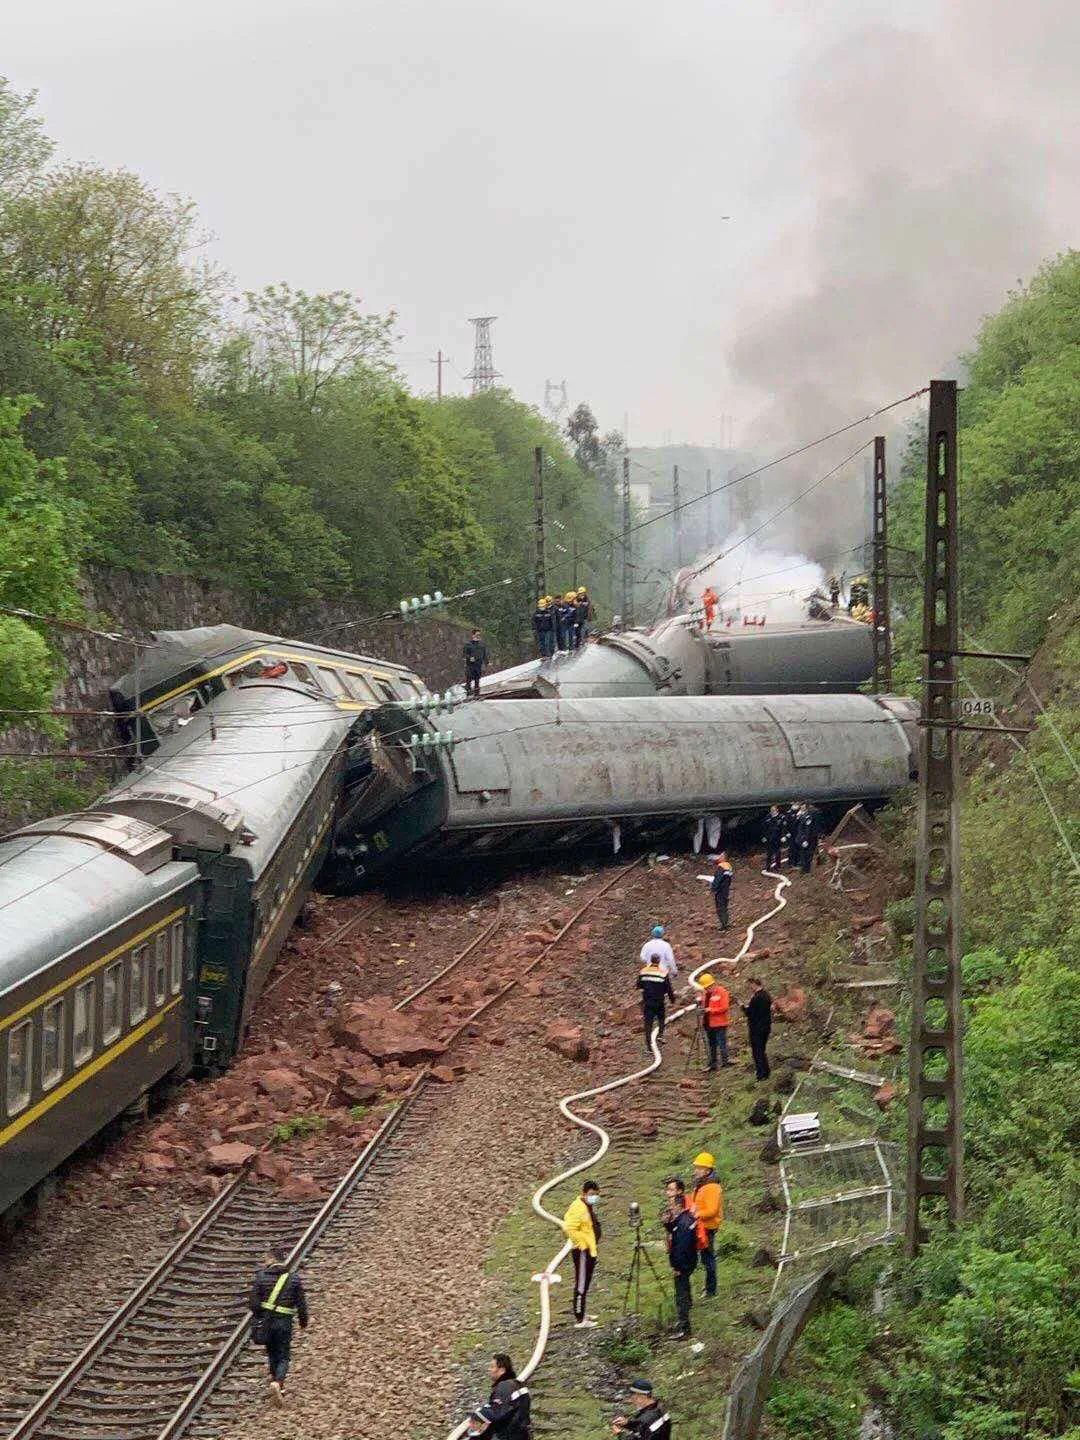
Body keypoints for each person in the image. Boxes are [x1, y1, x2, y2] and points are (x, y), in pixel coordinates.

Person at [249, 1246, 309, 1406]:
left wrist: (261, 1316)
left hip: (267, 1322)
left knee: (271, 1352)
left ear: (271, 1260)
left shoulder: (261, 1278)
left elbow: (253, 1304)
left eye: (265, 1259)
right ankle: (278, 1382)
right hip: (284, 1322)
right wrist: (304, 1322)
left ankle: (275, 1380)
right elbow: (301, 1304)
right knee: (283, 1354)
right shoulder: (294, 1278)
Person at [561, 1180, 601, 1327]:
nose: (594, 1198)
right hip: (582, 1251)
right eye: (591, 1195)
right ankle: (580, 1318)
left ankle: (583, 1312)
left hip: (590, 1250)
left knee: (586, 1282)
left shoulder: (587, 1206)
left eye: (596, 1195)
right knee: (581, 1284)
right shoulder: (578, 1207)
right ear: (583, 1193)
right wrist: (581, 1244)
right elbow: (569, 1228)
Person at [466, 1354, 532, 1439]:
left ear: (501, 1370)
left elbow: (497, 1413)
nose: (489, 1369)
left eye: (492, 1367)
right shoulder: (518, 1385)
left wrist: (478, 1414)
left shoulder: (504, 1386)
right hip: (522, 1433)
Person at [689, 1153, 724, 1298]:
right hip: (701, 1227)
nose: (696, 1170)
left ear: (707, 1170)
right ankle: (709, 1288)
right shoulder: (702, 1185)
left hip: (707, 1228)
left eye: (699, 1167)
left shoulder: (711, 1187)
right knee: (705, 1257)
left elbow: (712, 1210)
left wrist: (696, 1214)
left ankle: (711, 1290)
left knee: (708, 1258)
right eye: (696, 1167)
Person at [665, 1191, 698, 1338]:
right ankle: (683, 1323)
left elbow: (681, 1248)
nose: (669, 1209)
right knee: (684, 1292)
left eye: (671, 1206)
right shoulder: (686, 1219)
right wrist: (667, 1224)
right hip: (689, 1262)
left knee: (681, 1296)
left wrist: (677, 1267)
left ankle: (685, 1328)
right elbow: (674, 1228)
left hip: (683, 1265)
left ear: (678, 1205)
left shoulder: (684, 1224)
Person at [637, 956, 676, 1049]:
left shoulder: (643, 972)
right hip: (659, 1001)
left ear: (651, 961)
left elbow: (638, 985)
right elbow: (668, 989)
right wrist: (672, 999)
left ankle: (648, 1045)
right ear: (658, 961)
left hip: (647, 1001)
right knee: (661, 1018)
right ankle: (660, 1036)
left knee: (648, 1023)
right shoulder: (662, 973)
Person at [697, 973, 731, 1070]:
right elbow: (704, 1005)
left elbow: (724, 1007)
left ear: (712, 984)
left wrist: (710, 1010)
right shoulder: (705, 994)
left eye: (707, 987)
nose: (706, 989)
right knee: (711, 1044)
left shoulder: (722, 992)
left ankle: (725, 1062)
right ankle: (713, 1064)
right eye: (705, 988)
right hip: (708, 1023)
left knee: (721, 1043)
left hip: (719, 1023)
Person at [741, 977, 773, 1081]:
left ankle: (761, 1074)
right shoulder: (767, 995)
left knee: (757, 1051)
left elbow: (750, 1013)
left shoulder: (757, 997)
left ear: (754, 984)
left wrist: (742, 1007)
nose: (749, 988)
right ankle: (766, 1071)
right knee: (762, 1050)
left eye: (750, 985)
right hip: (766, 1026)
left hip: (756, 1028)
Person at [710, 853, 734, 931]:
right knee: (724, 906)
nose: (718, 858)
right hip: (726, 890)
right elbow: (729, 880)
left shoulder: (721, 867)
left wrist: (713, 888)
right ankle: (726, 923)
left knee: (720, 907)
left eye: (720, 856)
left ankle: (724, 925)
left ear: (723, 858)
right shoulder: (729, 867)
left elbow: (718, 879)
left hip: (720, 890)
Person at [464, 628, 488, 699]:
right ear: (473, 635)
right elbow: (464, 655)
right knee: (468, 680)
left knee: (477, 680)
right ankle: (468, 696)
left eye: (479, 635)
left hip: (478, 665)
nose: (478, 636)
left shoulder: (482, 645)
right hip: (470, 666)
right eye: (477, 634)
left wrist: (487, 662)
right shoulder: (468, 644)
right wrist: (469, 657)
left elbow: (484, 655)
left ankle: (477, 695)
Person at [762, 806, 784, 872]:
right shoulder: (767, 817)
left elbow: (783, 828)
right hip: (769, 838)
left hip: (777, 838)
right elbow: (764, 828)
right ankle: (768, 866)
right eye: (771, 810)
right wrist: (764, 836)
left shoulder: (781, 817)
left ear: (777, 810)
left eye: (774, 810)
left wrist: (783, 836)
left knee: (777, 853)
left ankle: (778, 866)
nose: (772, 812)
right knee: (769, 853)